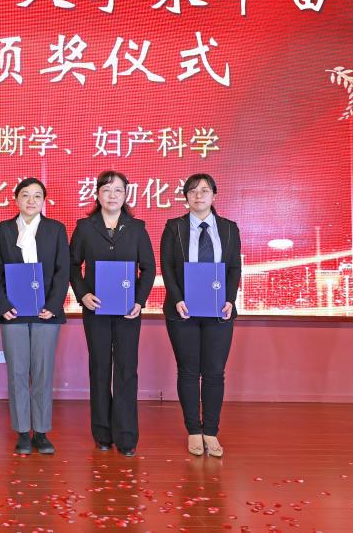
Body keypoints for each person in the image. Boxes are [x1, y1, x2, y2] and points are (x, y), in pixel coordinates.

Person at [69, 170, 155, 456]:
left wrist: (139, 301)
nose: (112, 195)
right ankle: (102, 433)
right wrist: (83, 294)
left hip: (128, 311)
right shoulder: (85, 227)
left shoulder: (137, 228)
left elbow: (149, 268)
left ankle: (127, 436)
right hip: (96, 310)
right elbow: (72, 265)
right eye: (106, 190)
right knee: (100, 369)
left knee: (127, 370)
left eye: (118, 190)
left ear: (126, 195)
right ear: (97, 194)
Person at [160, 173, 242, 458]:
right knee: (188, 371)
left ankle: (211, 431)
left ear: (214, 196)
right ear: (185, 197)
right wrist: (178, 299)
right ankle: (193, 430)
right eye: (192, 191)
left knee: (215, 372)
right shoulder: (174, 227)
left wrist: (230, 299)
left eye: (204, 191)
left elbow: (234, 267)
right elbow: (167, 266)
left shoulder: (229, 228)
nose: (198, 196)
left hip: (219, 311)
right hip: (183, 310)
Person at [0, 178, 69, 456]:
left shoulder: (56, 229)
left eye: (37, 196)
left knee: (42, 372)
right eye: (25, 195)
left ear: (44, 201)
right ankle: (23, 432)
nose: (31, 200)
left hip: (45, 312)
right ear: (16, 199)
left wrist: (53, 304)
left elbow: (63, 270)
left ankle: (42, 432)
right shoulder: (1, 230)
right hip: (12, 311)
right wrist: (2, 304)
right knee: (17, 373)